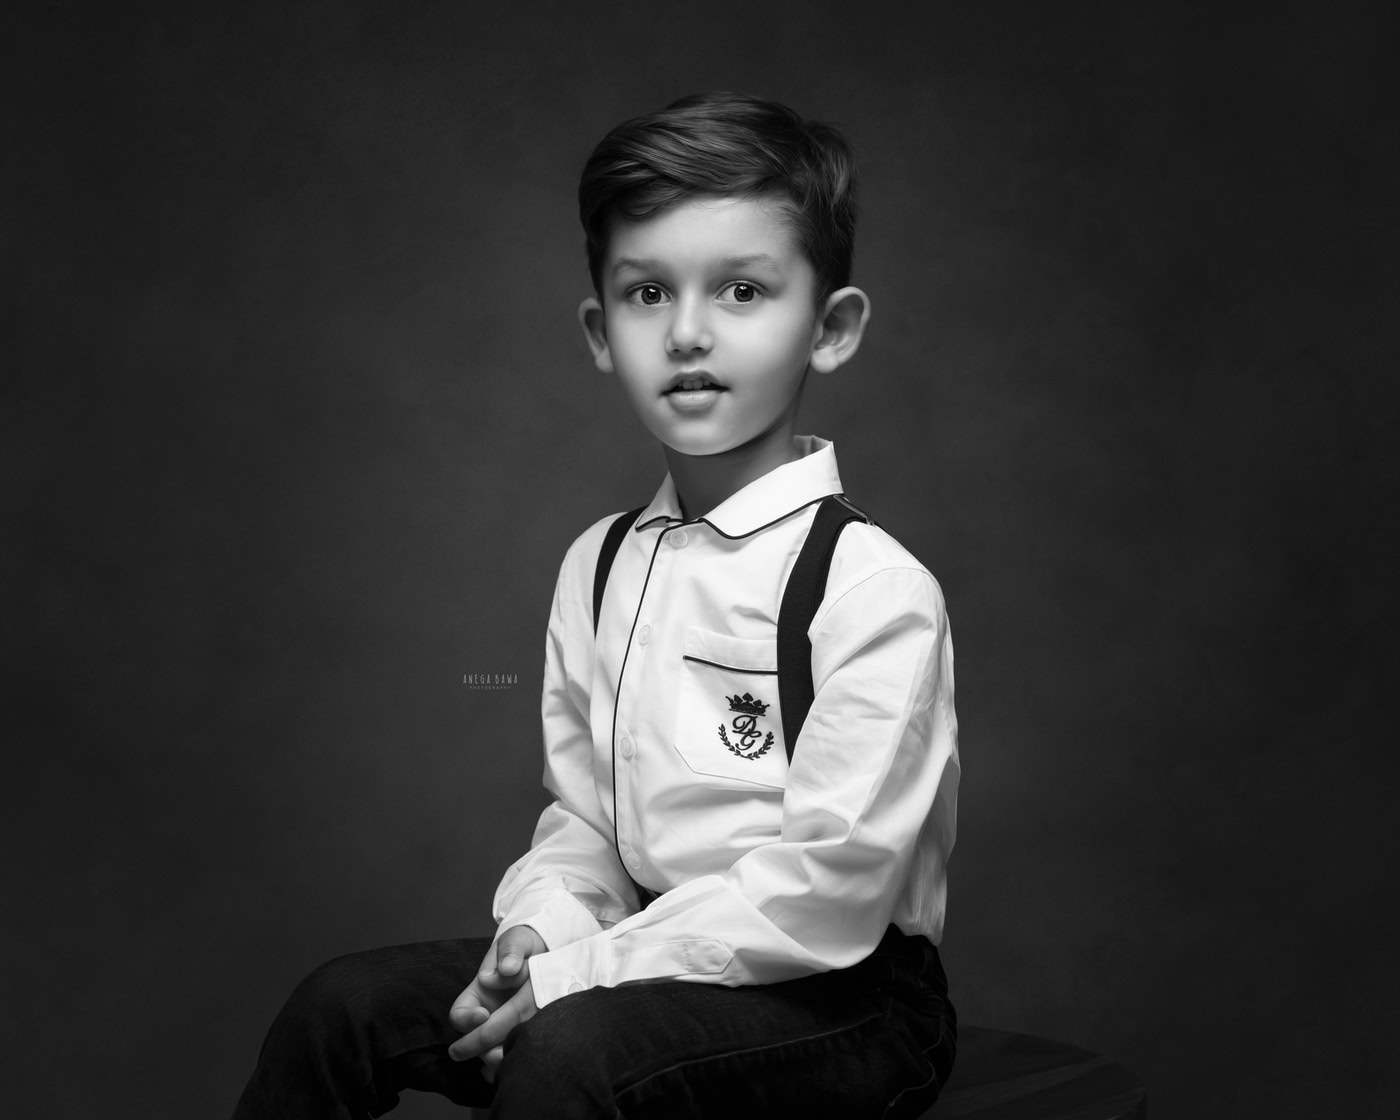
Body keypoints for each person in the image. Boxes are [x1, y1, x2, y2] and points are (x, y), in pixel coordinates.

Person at [232, 90, 960, 1120]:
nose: (688, 332)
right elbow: (589, 820)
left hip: (844, 997)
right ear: (600, 331)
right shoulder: (600, 563)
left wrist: (578, 979)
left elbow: (827, 890)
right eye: (647, 293)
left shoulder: (870, 587)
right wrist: (540, 932)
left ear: (830, 328)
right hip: (641, 954)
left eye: (743, 290)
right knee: (339, 1006)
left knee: (567, 1049)